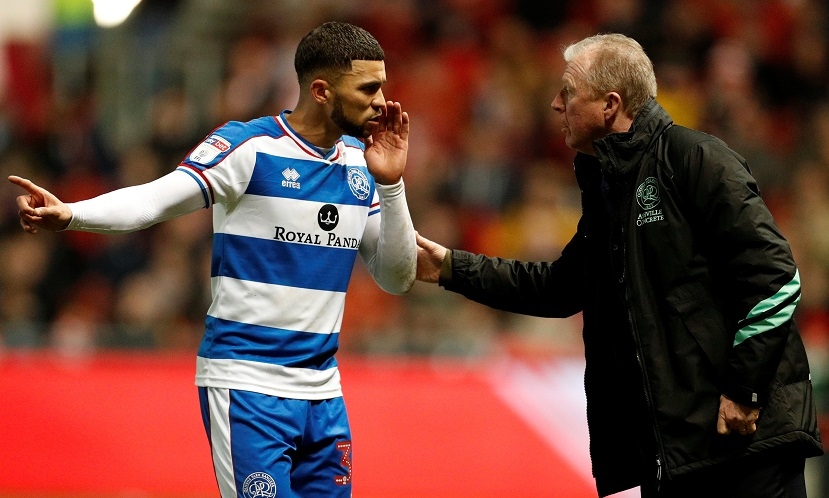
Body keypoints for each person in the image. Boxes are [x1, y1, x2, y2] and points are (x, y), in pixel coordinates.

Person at [11, 21, 416, 498]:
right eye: (368, 89)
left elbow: (396, 277)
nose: (382, 102)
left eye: (381, 87)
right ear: (322, 91)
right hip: (246, 385)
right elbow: (153, 201)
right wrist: (72, 214)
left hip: (323, 393)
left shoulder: (361, 164)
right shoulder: (249, 148)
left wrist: (392, 183)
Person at [415, 33, 823, 497]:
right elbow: (557, 288)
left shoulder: (696, 158)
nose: (555, 104)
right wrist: (448, 267)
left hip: (745, 448)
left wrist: (744, 390)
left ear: (610, 105)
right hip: (677, 456)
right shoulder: (609, 191)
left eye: (568, 92)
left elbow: (777, 281)